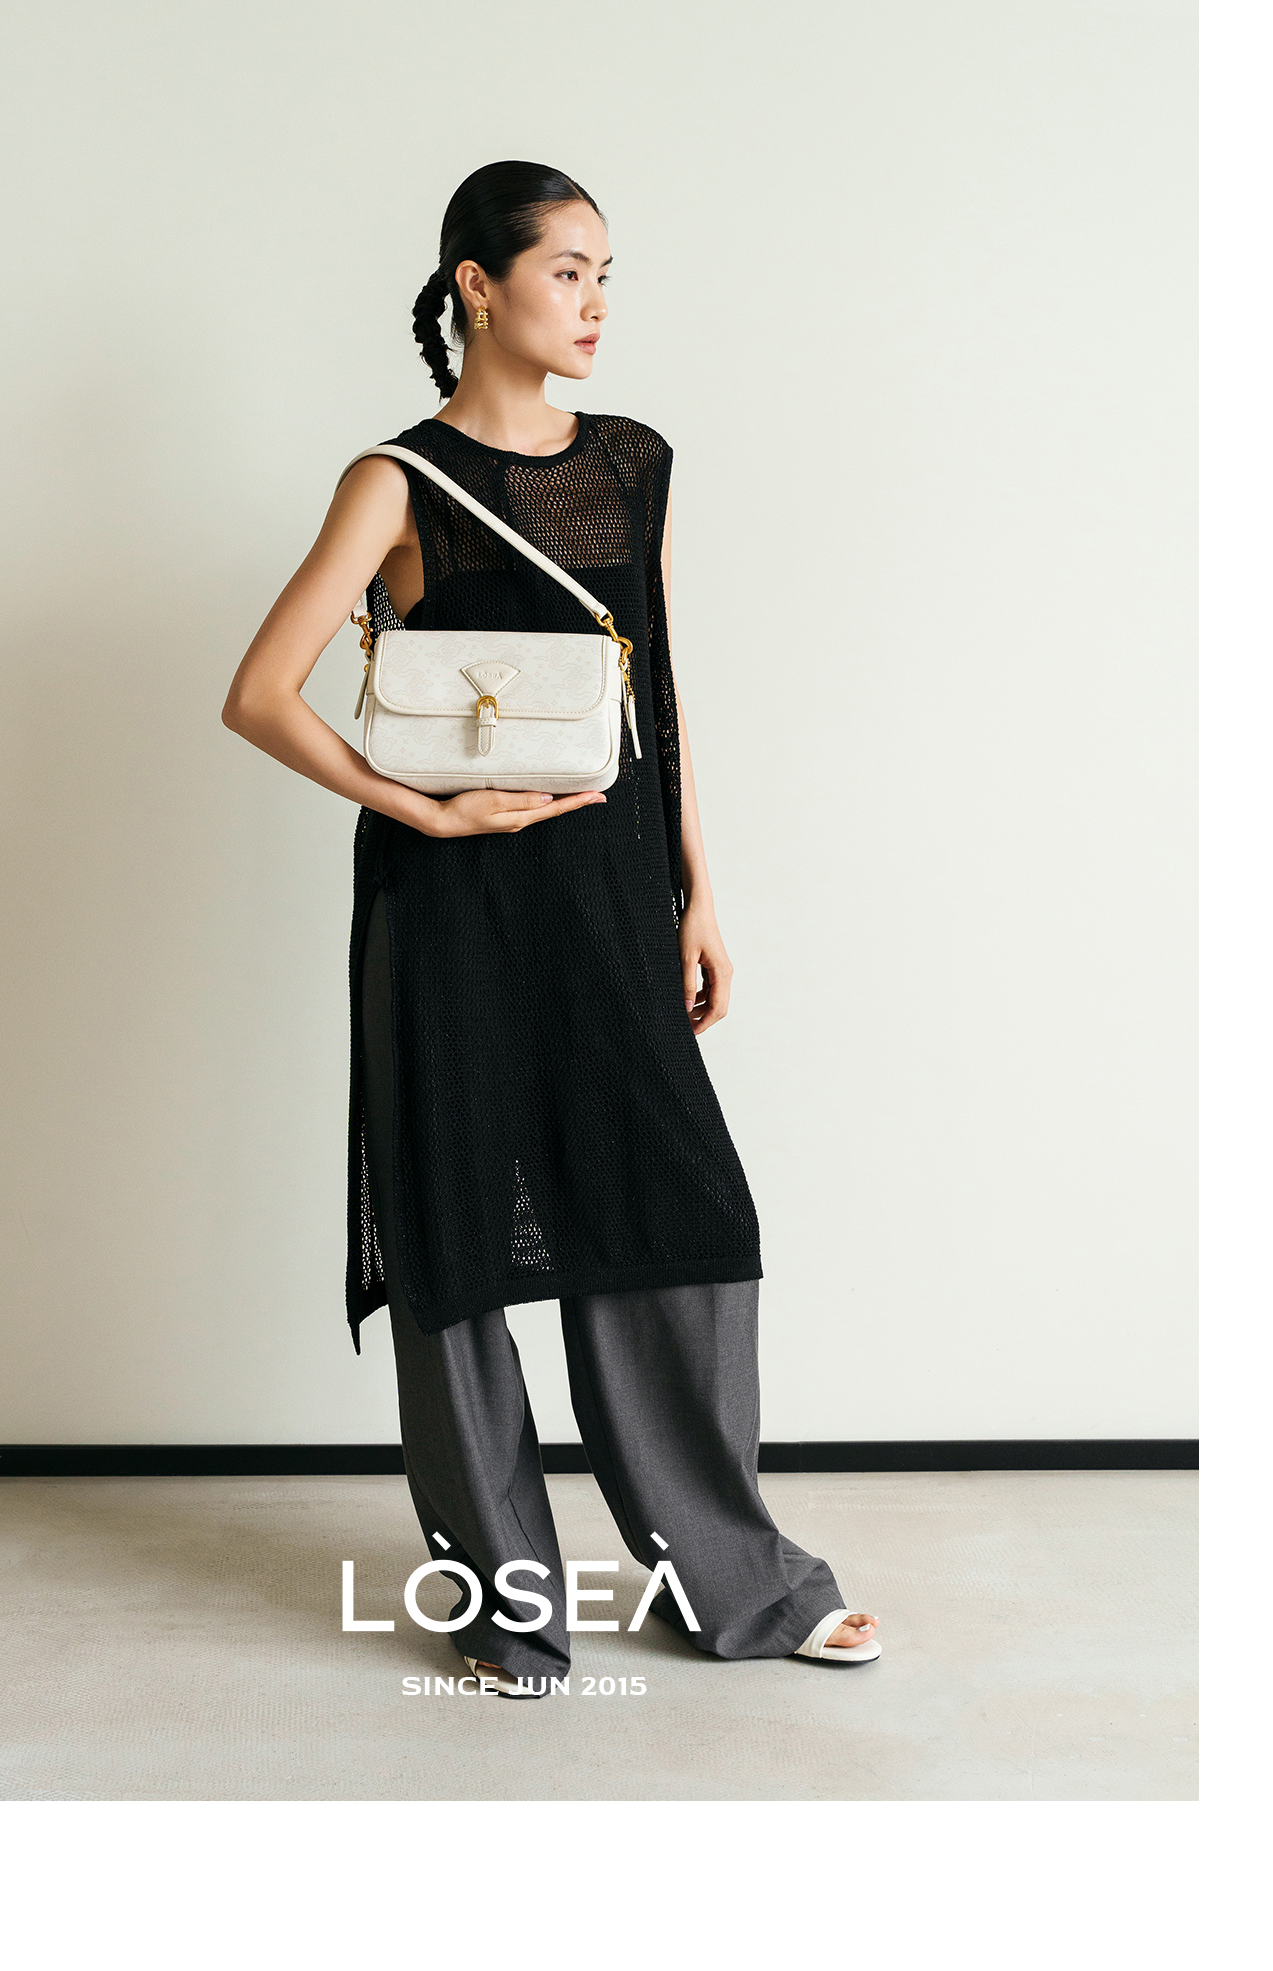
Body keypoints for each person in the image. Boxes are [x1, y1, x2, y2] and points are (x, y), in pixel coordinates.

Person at [223, 160, 880, 1692]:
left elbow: (658, 689)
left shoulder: (635, 462)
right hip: (448, 917)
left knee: (678, 1216)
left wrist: (698, 889)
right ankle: (510, 1611)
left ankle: (735, 1583)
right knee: (457, 1232)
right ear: (479, 283)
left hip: (610, 901)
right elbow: (259, 692)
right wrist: (423, 808)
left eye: (604, 276)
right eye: (567, 270)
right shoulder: (395, 481)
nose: (594, 303)